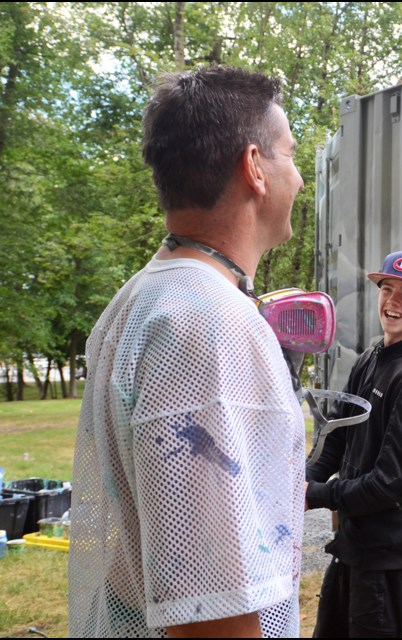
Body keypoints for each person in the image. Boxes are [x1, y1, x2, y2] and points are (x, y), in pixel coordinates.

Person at [68, 66, 306, 638]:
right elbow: (211, 613)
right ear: (255, 168)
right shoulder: (206, 323)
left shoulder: (146, 296)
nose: (298, 177)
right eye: (291, 154)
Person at [306, 249, 402, 638]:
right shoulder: (370, 359)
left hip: (387, 556)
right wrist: (300, 480)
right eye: (386, 288)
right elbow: (336, 439)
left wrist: (316, 494)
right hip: (355, 544)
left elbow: (392, 484)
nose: (392, 301)